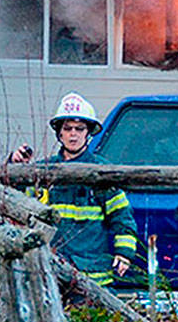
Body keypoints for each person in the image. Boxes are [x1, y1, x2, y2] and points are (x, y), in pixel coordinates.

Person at [10, 92, 137, 286]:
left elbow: (122, 216)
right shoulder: (43, 171)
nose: (73, 134)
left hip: (92, 275)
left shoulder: (102, 172)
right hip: (49, 270)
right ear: (59, 133)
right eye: (68, 128)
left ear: (88, 133)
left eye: (79, 129)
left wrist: (124, 253)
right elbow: (17, 202)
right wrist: (16, 168)